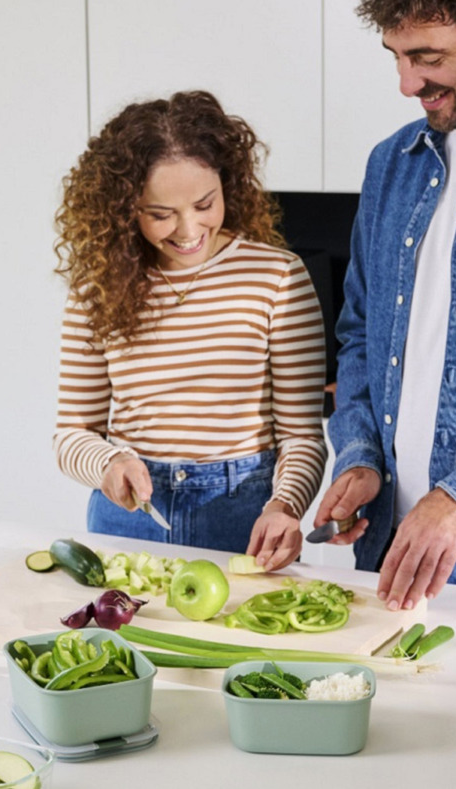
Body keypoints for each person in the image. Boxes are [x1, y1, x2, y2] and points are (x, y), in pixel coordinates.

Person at [53, 90, 327, 572]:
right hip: (130, 516)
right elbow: (72, 433)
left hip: (245, 514)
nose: (188, 230)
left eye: (204, 204)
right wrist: (108, 464)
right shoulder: (98, 286)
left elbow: (301, 435)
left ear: (227, 185)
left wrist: (285, 506)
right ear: (125, 209)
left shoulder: (277, 276)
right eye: (160, 214)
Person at [314, 0, 456, 605]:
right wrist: (360, 457)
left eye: (428, 58)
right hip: (384, 551)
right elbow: (360, 333)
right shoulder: (391, 164)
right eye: (398, 58)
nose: (407, 85)